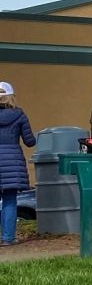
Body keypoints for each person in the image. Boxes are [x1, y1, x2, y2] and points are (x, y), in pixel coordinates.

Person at [0, 81, 36, 247]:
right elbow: (29, 141)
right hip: (12, 161)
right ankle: (8, 238)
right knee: (9, 200)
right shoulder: (19, 115)